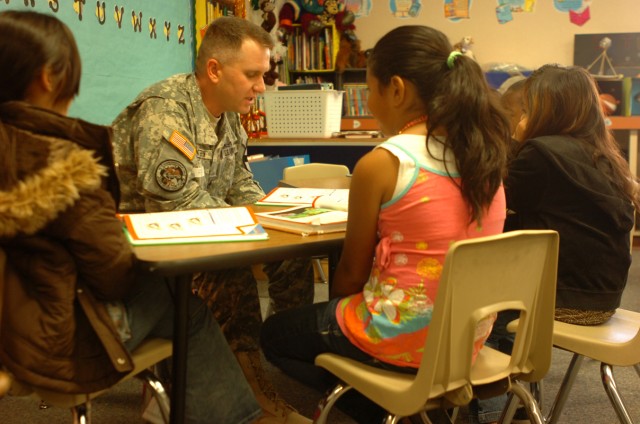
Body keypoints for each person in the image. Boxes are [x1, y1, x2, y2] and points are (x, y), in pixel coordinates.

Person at [0, 10, 285, 424]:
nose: (261, 86)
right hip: (56, 333)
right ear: (49, 77)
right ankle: (236, 416)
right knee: (183, 305)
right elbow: (114, 272)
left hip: (17, 319)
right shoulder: (63, 163)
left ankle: (179, 400)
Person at [260, 25, 511, 423]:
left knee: (274, 335)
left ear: (396, 89)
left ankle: (389, 409)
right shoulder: (484, 159)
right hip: (467, 341)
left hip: (399, 336)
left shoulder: (384, 161)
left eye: (371, 89)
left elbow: (351, 275)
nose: (371, 102)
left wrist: (340, 307)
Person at [110, 16, 312, 422]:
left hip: (206, 231)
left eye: (264, 75)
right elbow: (176, 202)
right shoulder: (165, 111)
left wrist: (274, 218)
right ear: (215, 70)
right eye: (253, 75)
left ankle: (281, 354)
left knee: (295, 255)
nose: (261, 86)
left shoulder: (229, 111)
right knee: (232, 277)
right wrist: (253, 227)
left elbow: (239, 177)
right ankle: (248, 388)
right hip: (143, 248)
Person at [472, 64, 640, 424]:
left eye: (529, 107)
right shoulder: (602, 155)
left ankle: (500, 404)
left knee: (485, 302)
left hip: (565, 302)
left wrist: (516, 142)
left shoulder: (540, 154)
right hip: (604, 301)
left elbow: (493, 202)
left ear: (547, 109)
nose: (523, 115)